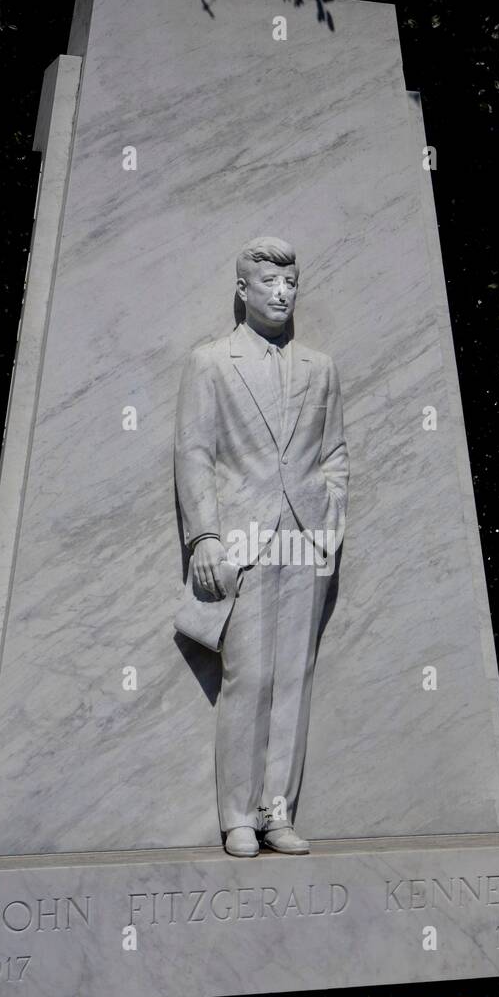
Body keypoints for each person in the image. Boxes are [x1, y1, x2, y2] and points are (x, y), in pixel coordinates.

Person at [174, 236, 349, 857]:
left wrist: (328, 525)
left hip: (305, 539)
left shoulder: (320, 368)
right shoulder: (211, 362)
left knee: (294, 679)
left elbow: (335, 456)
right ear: (242, 291)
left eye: (291, 284)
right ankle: (238, 817)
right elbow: (194, 453)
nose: (282, 293)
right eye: (269, 284)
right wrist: (205, 536)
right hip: (243, 541)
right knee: (248, 678)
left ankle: (279, 814)